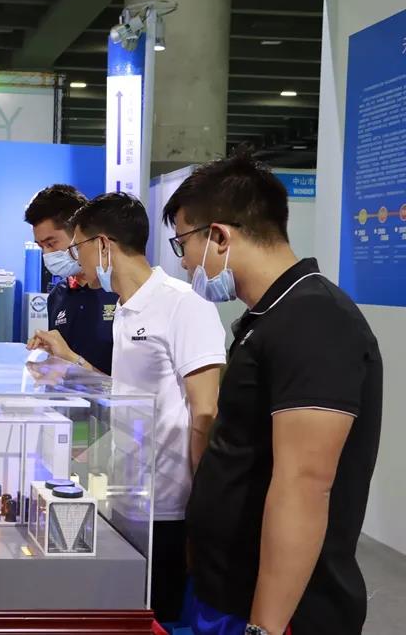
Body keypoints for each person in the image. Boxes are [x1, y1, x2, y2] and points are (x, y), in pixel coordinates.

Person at [163, 153, 382, 635]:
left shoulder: (315, 319)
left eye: (184, 242)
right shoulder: (269, 317)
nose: (183, 262)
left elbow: (304, 484)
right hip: (225, 591)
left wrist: (264, 627)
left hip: (273, 613)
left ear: (219, 236)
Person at [29, 192, 226, 623]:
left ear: (103, 245)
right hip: (126, 498)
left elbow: (206, 413)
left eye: (78, 248)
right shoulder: (124, 310)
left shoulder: (184, 305)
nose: (75, 261)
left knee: (165, 618)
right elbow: (126, 392)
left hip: (171, 510)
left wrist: (202, 514)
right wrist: (72, 363)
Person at [24, 184, 117, 374]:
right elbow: (61, 365)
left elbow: (133, 383)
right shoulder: (57, 295)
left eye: (51, 243)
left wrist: (73, 360)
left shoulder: (119, 291)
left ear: (78, 235)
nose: (47, 254)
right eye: (41, 247)